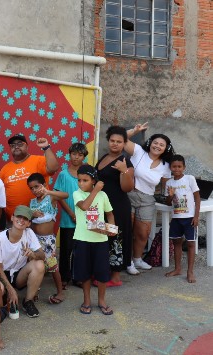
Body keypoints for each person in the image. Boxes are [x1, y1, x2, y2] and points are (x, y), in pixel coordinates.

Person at [125, 122, 173, 274]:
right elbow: (120, 139)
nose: (157, 146)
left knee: (143, 232)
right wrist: (134, 131)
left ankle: (137, 259)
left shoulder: (166, 166)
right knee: (127, 230)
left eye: (161, 145)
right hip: (129, 194)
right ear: (150, 143)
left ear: (166, 148)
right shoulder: (139, 151)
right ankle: (127, 262)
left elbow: (166, 185)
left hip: (147, 199)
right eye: (155, 142)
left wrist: (169, 197)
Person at [73, 164, 116, 316]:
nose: (81, 183)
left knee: (102, 272)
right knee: (84, 273)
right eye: (79, 180)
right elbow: (84, 207)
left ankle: (102, 300)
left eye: (85, 180)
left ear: (93, 180)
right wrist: (96, 190)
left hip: (100, 240)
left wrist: (111, 228)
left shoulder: (103, 196)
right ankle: (86, 300)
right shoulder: (77, 194)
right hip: (82, 239)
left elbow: (109, 213)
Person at [0, 205, 46, 318]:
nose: (21, 220)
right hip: (1, 274)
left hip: (18, 274)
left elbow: (42, 255)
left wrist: (33, 254)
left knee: (39, 264)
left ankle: (28, 301)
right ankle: (5, 302)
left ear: (29, 223)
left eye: (25, 219)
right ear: (12, 217)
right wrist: (10, 289)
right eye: (18, 217)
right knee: (0, 292)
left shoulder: (28, 233)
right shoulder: (0, 238)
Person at [96, 127, 134, 286]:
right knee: (103, 238)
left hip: (117, 207)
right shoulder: (104, 156)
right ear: (108, 141)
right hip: (102, 206)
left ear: (124, 144)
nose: (115, 144)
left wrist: (124, 171)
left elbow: (128, 188)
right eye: (112, 141)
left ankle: (116, 277)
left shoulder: (125, 161)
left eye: (119, 142)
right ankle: (104, 272)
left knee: (115, 240)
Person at [27, 173, 68, 305]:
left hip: (48, 240)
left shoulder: (51, 198)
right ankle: (35, 292)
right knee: (35, 265)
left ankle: (60, 292)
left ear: (44, 185)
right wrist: (32, 215)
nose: (34, 190)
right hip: (34, 240)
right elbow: (28, 221)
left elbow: (65, 195)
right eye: (31, 188)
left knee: (52, 266)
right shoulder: (32, 202)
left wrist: (48, 191)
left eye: (37, 186)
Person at [0, 134, 59, 221]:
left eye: (20, 144)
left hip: (39, 218)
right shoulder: (4, 169)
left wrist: (46, 147)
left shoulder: (38, 160)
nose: (16, 147)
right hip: (14, 221)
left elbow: (54, 168)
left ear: (26, 146)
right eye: (13, 145)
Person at [53, 143, 87, 287]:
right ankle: (64, 277)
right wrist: (71, 213)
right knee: (66, 249)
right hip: (68, 219)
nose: (76, 157)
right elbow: (59, 196)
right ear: (69, 155)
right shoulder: (63, 174)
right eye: (74, 154)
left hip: (84, 218)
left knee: (80, 250)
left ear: (84, 157)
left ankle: (77, 276)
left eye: (80, 155)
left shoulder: (86, 174)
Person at [164, 155, 200, 283]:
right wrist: (170, 195)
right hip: (176, 218)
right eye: (174, 166)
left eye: (179, 166)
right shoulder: (169, 183)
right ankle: (177, 268)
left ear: (184, 167)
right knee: (176, 242)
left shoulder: (189, 179)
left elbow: (197, 198)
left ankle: (190, 272)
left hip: (189, 217)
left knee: (190, 243)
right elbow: (168, 202)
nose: (177, 169)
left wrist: (196, 216)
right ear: (170, 168)